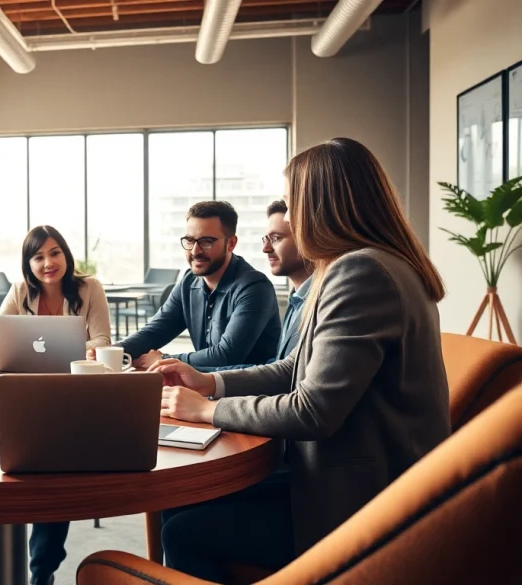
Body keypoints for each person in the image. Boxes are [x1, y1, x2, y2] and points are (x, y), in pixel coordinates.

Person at [153, 137, 451, 581]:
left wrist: (208, 411)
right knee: (178, 505)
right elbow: (297, 368)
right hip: (352, 477)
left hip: (362, 500)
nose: (288, 219)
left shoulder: (360, 273)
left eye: (292, 206)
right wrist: (208, 382)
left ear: (321, 205)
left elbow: (314, 410)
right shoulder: (369, 265)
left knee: (182, 532)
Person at [0, 225, 112, 585]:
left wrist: (80, 350)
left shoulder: (89, 288)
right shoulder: (18, 292)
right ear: (28, 263)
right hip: (26, 396)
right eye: (39, 256)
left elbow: (102, 339)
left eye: (55, 252)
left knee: (55, 474)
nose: (48, 263)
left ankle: (41, 569)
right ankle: (35, 562)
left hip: (74, 396)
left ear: (66, 254)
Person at [93, 201, 281, 370]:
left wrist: (164, 359)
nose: (195, 251)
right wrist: (109, 351)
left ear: (231, 243)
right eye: (190, 241)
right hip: (205, 387)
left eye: (207, 241)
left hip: (249, 396)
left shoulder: (254, 287)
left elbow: (227, 355)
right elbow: (155, 332)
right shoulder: (189, 282)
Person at [199, 200, 314, 372]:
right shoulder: (297, 300)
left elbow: (291, 381)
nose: (265, 248)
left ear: (308, 238)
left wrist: (202, 380)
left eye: (276, 238)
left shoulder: (320, 300)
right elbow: (279, 369)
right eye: (265, 239)